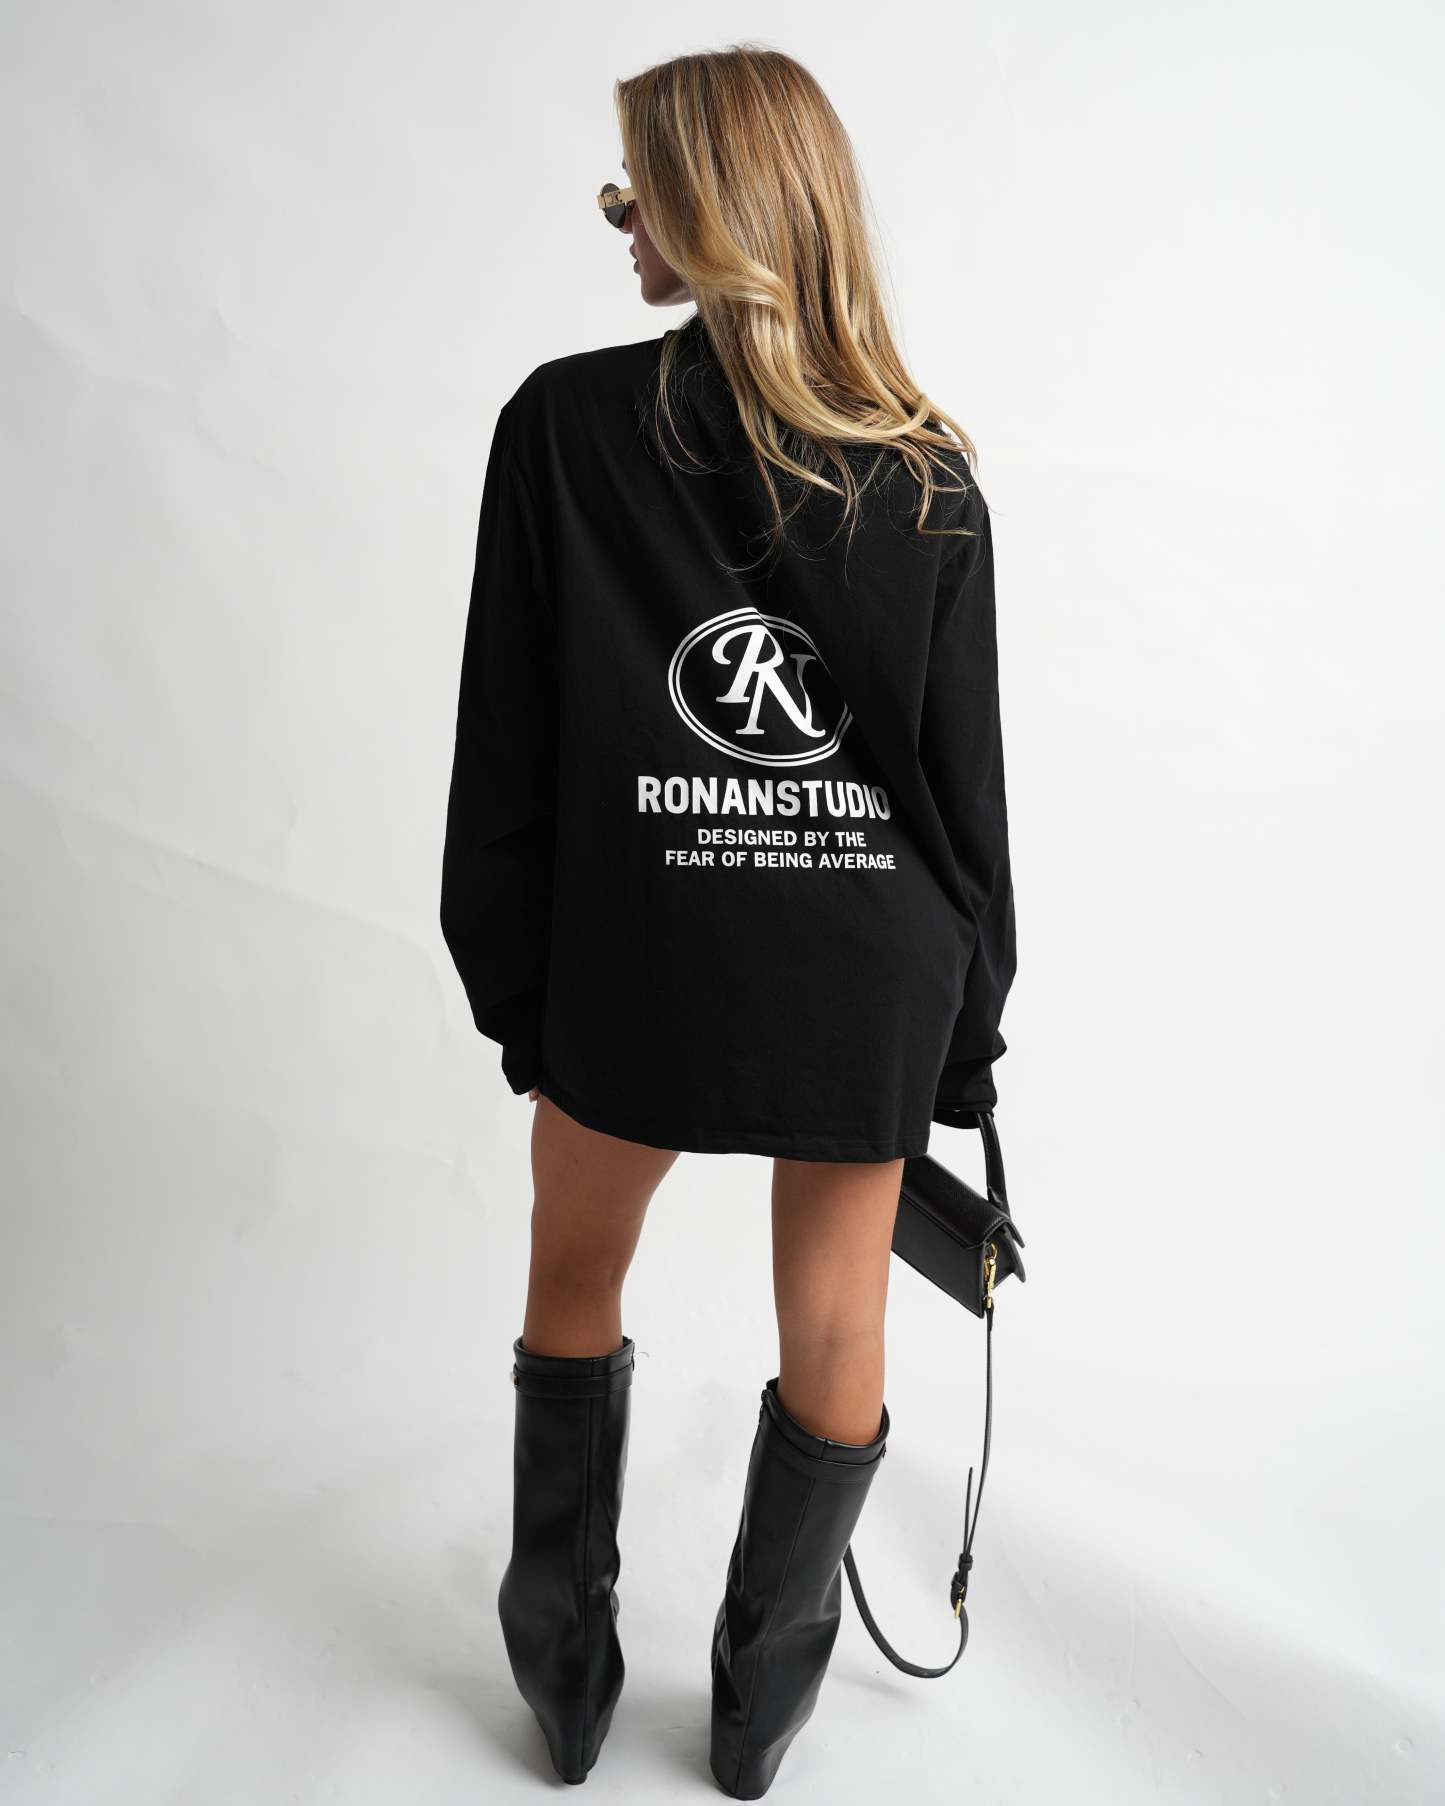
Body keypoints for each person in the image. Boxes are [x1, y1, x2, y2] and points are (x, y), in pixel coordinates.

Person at [440, 42, 1016, 1796]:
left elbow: (508, 750)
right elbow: (961, 802)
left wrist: (518, 991)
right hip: (863, 963)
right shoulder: (923, 468)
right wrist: (963, 1041)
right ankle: (758, 1718)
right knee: (837, 1323)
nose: (621, 224)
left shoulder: (561, 426)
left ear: (715, 209)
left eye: (640, 192)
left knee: (571, 1267)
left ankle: (560, 1676)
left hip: (639, 944)